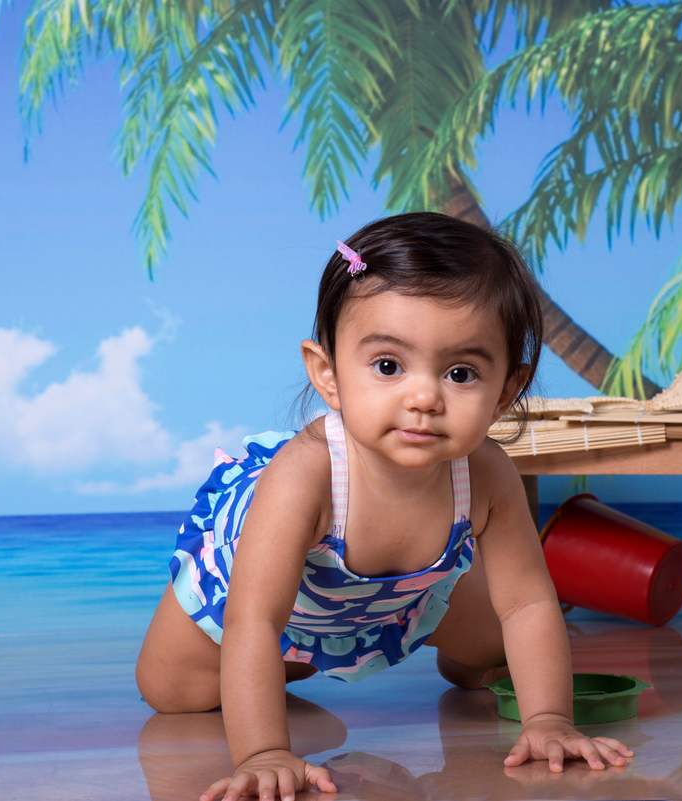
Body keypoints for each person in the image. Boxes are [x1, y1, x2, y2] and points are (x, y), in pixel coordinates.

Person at [136, 212, 634, 801]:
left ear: (506, 390)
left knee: (501, 640)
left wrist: (548, 719)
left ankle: (417, 655)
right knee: (173, 690)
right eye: (388, 366)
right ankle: (288, 666)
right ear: (329, 374)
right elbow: (255, 620)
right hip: (262, 602)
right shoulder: (307, 474)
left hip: (396, 598)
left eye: (460, 372)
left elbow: (527, 603)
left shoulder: (487, 473)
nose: (424, 397)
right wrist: (266, 752)